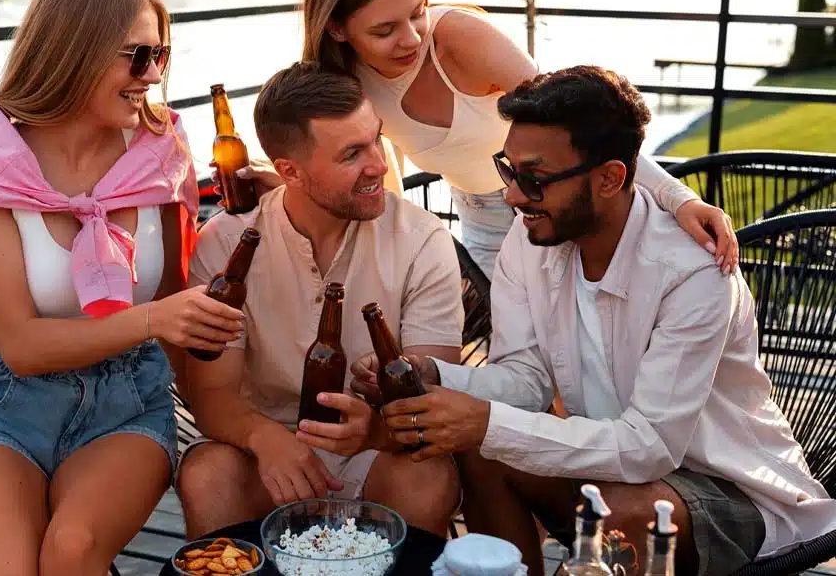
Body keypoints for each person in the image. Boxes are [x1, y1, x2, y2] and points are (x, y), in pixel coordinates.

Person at [356, 65, 836, 576]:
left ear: (611, 178)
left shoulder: (694, 273)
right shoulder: (531, 236)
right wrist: (438, 377)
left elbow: (650, 446)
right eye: (508, 170)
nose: (515, 197)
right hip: (608, 467)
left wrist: (488, 420)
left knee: (617, 513)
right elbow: (526, 379)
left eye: (535, 180)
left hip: (728, 487)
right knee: (483, 451)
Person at [0, 0, 244, 575]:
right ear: (74, 51)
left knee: (71, 550)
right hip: (9, 404)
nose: (154, 74)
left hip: (127, 403)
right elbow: (21, 347)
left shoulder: (161, 147)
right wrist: (152, 319)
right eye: (137, 56)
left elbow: (182, 314)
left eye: (162, 54)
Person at [229, 0, 739, 280]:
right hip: (483, 218)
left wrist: (679, 198)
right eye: (384, 29)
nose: (409, 39)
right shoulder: (345, 84)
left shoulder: (460, 39)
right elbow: (372, 178)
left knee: (589, 358)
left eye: (417, 14)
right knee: (522, 360)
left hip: (562, 199)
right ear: (337, 28)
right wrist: (285, 183)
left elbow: (581, 124)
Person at [176, 61, 463, 540]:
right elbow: (212, 395)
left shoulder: (421, 238)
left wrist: (372, 430)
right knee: (207, 475)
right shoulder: (227, 243)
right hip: (265, 445)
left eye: (376, 139)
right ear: (289, 170)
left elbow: (432, 396)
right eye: (352, 154)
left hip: (378, 448)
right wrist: (264, 438)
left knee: (427, 478)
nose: (378, 165)